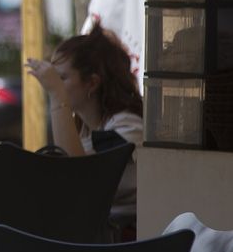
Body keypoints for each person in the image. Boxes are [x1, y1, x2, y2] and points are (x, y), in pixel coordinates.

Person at [24, 28, 144, 227]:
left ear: (92, 83)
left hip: (125, 241)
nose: (55, 86)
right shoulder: (85, 129)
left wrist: (57, 98)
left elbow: (77, 177)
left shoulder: (127, 125)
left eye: (61, 78)